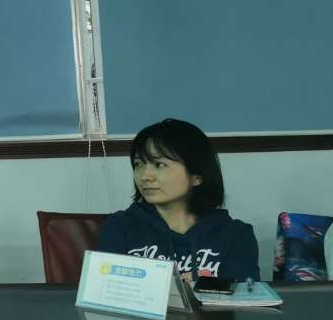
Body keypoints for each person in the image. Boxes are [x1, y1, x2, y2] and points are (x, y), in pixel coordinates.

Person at [98, 118, 258, 281]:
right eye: (138, 164)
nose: (145, 176)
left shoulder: (236, 235)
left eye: (160, 165)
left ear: (196, 176)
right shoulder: (119, 226)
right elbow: (105, 289)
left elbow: (244, 294)